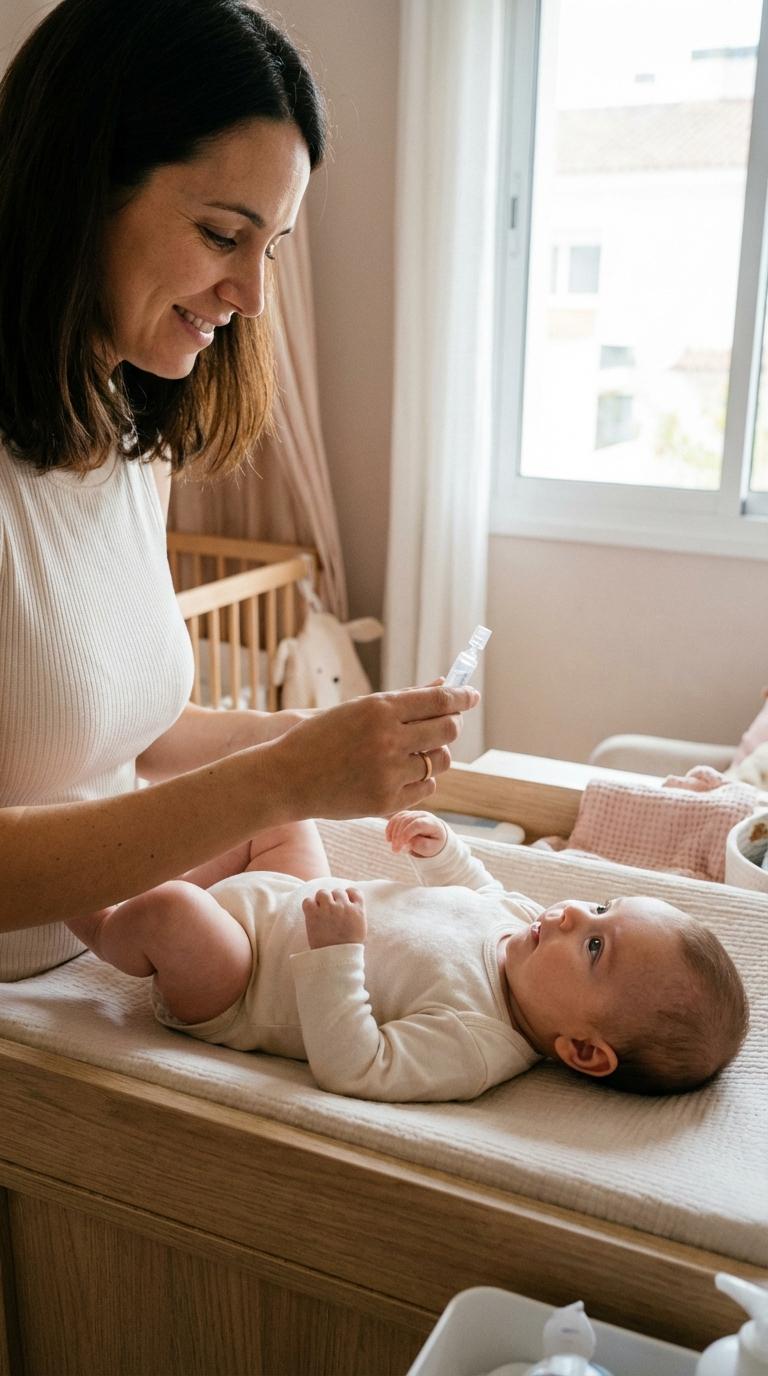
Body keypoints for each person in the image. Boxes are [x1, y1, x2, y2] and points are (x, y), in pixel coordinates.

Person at [0, 0, 478, 976]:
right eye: (224, 234)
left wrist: (303, 736)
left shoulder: (127, 432)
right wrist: (278, 779)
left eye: (272, 247)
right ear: (77, 189)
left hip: (108, 957)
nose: (252, 297)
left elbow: (109, 721)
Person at [68, 811, 750, 1100]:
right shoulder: (522, 929)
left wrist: (338, 955)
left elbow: (357, 1066)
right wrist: (442, 850)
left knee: (177, 915)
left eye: (596, 944)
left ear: (582, 1049)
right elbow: (477, 890)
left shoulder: (476, 1042)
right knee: (280, 811)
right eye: (600, 905)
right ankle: (163, 879)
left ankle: (94, 920)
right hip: (298, 894)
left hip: (242, 978)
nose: (573, 913)